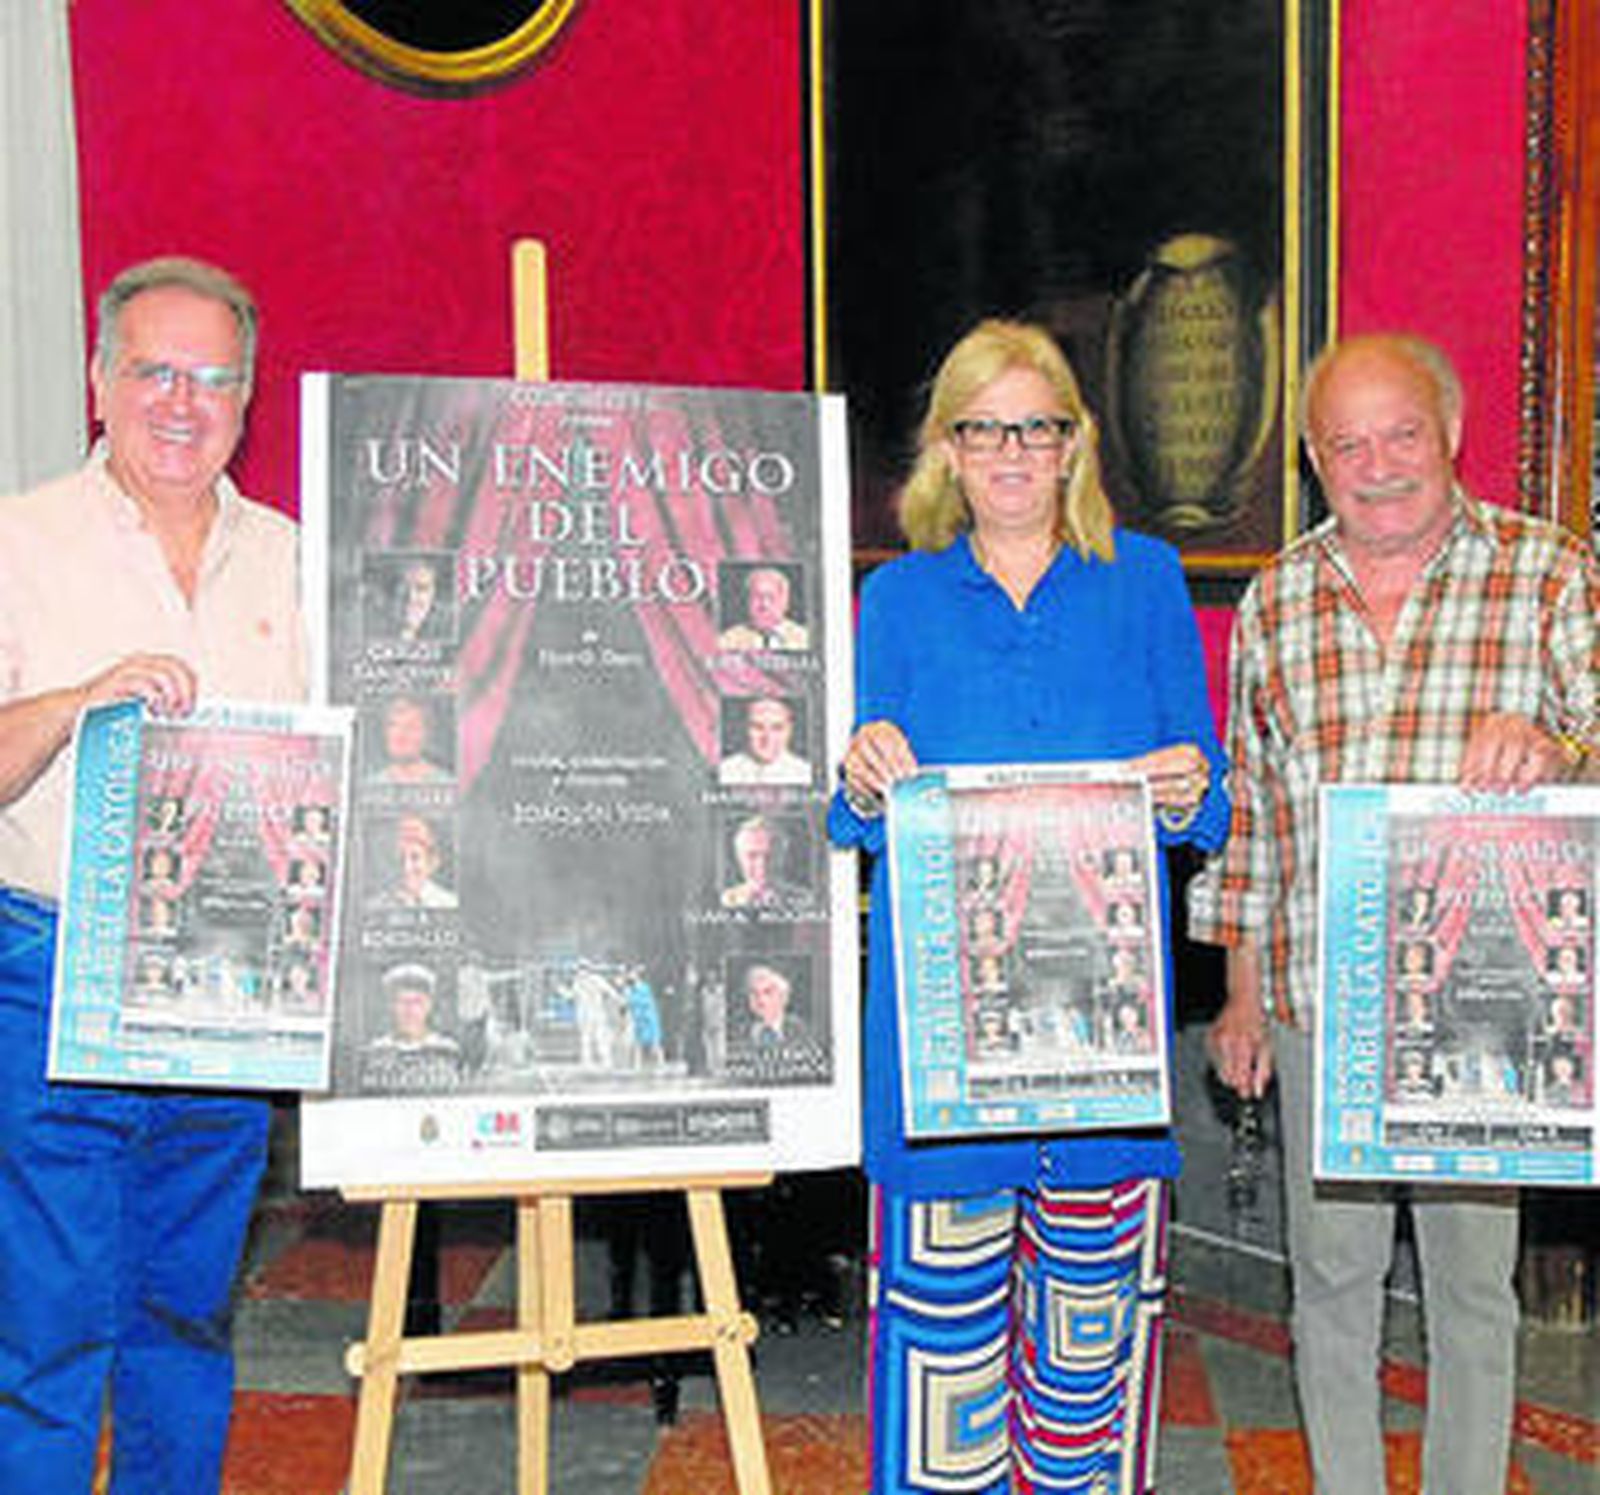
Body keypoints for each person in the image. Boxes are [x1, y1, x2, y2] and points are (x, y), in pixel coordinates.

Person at [1188, 332, 1599, 1495]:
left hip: (1481, 1016)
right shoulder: (1278, 598)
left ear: (1452, 430)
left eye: (1400, 434)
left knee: (1472, 1288)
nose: (1376, 466)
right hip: (1322, 995)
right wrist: (1241, 996)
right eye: (1345, 444)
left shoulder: (1548, 571)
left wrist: (1559, 748)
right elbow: (1255, 814)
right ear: (1315, 460)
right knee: (1328, 1282)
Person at [830, 319, 1227, 1494]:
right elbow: (851, 814)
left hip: (1102, 1064)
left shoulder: (1143, 581)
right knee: (939, 1373)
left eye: (1036, 427)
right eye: (983, 427)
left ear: (1073, 444)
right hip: (943, 1066)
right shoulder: (898, 597)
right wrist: (857, 774)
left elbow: (1199, 800)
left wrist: (1185, 786)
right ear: (946, 449)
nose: (1011, 451)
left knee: (1085, 1389)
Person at [0, 256, 306, 1490]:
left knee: (185, 1321)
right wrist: (78, 703)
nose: (183, 403)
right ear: (98, 382)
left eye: (214, 380)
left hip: (231, 990)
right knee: (47, 1321)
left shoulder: (295, 556)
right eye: (155, 373)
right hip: (47, 964)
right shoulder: (19, 540)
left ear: (247, 398)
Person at [359, 962, 464, 1094]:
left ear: (429, 1006)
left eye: (417, 1002)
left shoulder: (448, 1053)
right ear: (391, 1006)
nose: (410, 1010)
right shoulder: (374, 1054)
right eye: (402, 1002)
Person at [718, 695, 811, 786]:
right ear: (743, 728)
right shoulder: (724, 772)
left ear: (790, 730)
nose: (768, 738)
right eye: (758, 727)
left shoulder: (804, 774)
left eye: (777, 728)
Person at [719, 813, 808, 909]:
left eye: (769, 856)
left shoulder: (803, 900)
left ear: (781, 857)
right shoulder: (728, 900)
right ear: (739, 858)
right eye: (752, 856)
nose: (762, 864)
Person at [369, 813, 457, 910]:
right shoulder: (378, 905)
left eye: (415, 857)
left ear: (431, 862)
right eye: (401, 858)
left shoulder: (448, 903)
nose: (406, 867)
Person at [717, 564, 810, 651]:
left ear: (784, 601)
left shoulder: (804, 640)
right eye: (757, 596)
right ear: (748, 601)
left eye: (771, 597)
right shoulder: (728, 641)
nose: (764, 604)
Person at [371, 693, 452, 784]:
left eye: (411, 727)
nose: (400, 734)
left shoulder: (444, 782)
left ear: (427, 734)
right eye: (393, 725)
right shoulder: (374, 783)